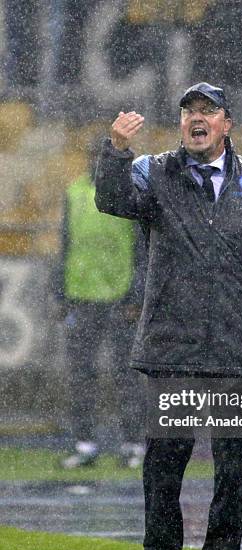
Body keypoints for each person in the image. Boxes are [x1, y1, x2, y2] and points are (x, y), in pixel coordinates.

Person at [95, 82, 242, 550]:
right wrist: (115, 150)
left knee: (235, 469)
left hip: (237, 349)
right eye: (188, 112)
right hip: (172, 346)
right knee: (164, 463)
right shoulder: (152, 172)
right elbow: (110, 200)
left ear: (227, 123)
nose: (197, 119)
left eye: (208, 111)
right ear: (182, 124)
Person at [53, 139, 147, 469]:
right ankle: (85, 444)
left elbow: (142, 249)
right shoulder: (75, 193)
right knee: (81, 374)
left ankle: (133, 444)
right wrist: (60, 294)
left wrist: (137, 296)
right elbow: (65, 244)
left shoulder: (131, 194)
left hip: (121, 297)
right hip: (82, 297)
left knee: (127, 375)